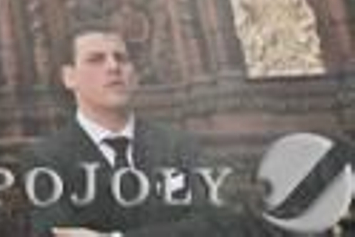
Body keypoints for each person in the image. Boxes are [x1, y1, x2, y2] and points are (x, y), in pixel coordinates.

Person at [25, 24, 250, 236]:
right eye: (96, 59)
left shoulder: (178, 145)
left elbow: (218, 223)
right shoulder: (46, 157)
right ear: (69, 77)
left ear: (134, 75)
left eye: (121, 58)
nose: (113, 67)